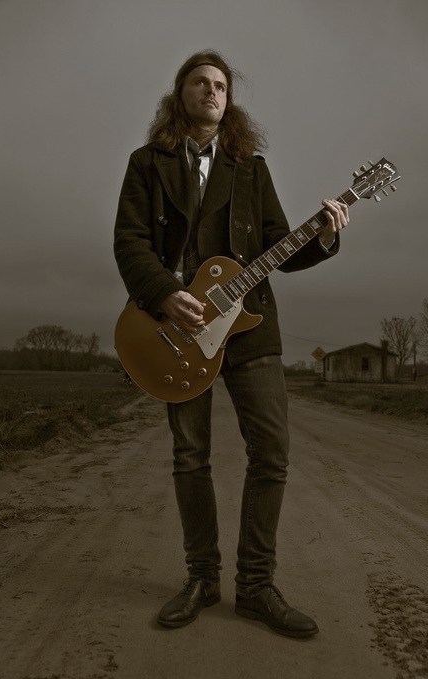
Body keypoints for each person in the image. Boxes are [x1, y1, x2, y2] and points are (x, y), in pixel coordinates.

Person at [114, 50, 349, 638]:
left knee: (272, 453)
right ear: (181, 93)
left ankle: (255, 587)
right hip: (177, 329)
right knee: (190, 455)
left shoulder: (251, 169)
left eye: (221, 85)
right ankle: (201, 579)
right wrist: (164, 294)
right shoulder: (147, 163)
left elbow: (279, 248)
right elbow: (130, 241)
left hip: (249, 328)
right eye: (201, 82)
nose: (212, 91)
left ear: (229, 100)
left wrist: (322, 236)